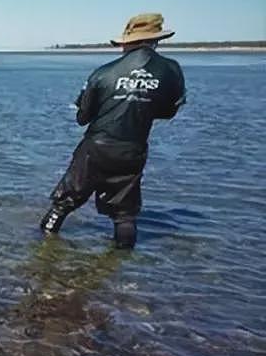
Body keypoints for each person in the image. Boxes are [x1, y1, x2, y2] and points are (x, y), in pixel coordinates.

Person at [40, 13, 186, 249]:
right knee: (124, 214)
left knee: (63, 203)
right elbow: (169, 112)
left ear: (127, 41)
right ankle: (122, 266)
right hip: (133, 148)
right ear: (156, 39)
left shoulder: (104, 72)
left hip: (96, 147)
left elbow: (82, 117)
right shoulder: (171, 70)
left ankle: (43, 248)